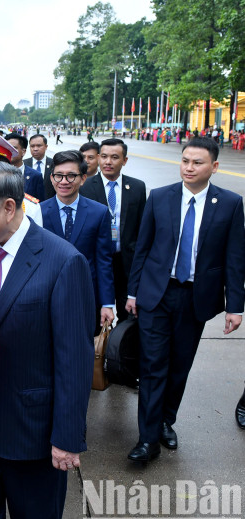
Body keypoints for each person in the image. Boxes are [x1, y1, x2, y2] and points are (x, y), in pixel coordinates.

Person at [0, 161, 95, 519]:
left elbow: (74, 360)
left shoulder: (63, 262)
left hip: (32, 432)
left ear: (9, 207)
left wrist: (66, 437)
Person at [125, 137, 245, 463]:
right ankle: (147, 440)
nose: (189, 168)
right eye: (185, 161)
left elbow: (235, 258)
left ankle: (166, 420)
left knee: (179, 366)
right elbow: (143, 248)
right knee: (152, 366)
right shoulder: (160, 197)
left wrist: (235, 306)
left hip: (195, 298)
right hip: (157, 294)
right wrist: (133, 292)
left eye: (197, 162)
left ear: (214, 167)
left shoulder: (231, 204)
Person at [41, 150, 115, 333]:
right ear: (52, 178)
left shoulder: (99, 212)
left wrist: (107, 303)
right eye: (59, 176)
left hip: (86, 295)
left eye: (71, 176)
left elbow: (104, 260)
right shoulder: (37, 212)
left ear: (83, 179)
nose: (64, 181)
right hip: (47, 295)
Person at [80, 138, 147, 322]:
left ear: (124, 160)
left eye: (115, 157)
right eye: (104, 156)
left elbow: (143, 228)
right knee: (96, 315)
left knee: (129, 317)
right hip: (98, 261)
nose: (108, 162)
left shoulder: (137, 187)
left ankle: (121, 350)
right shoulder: (85, 187)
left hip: (126, 262)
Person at [5, 133, 44, 201]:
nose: (10, 151)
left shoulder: (35, 176)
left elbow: (41, 204)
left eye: (14, 148)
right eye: (7, 148)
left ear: (23, 152)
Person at [24, 134, 54, 199]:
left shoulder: (54, 164)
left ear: (46, 147)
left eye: (39, 146)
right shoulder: (24, 164)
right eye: (32, 146)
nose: (35, 149)